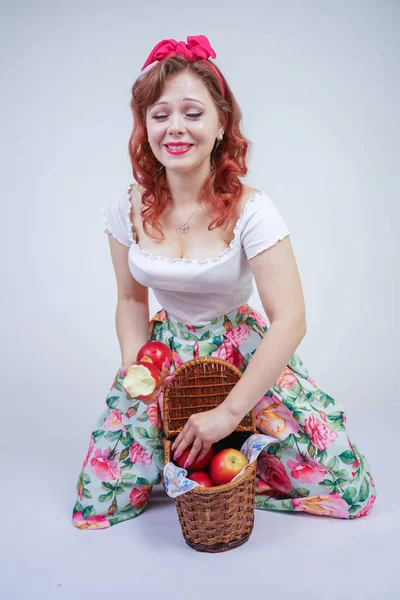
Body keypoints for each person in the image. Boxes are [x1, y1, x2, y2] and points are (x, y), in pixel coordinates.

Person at [72, 34, 377, 530]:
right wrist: (136, 373)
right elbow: (130, 298)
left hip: (241, 354)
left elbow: (291, 319)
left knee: (350, 491)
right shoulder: (124, 206)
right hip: (162, 356)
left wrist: (229, 412)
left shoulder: (252, 209)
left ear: (220, 125)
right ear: (144, 125)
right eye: (160, 114)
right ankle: (183, 463)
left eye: (192, 113)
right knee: (96, 506)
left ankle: (242, 468)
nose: (175, 127)